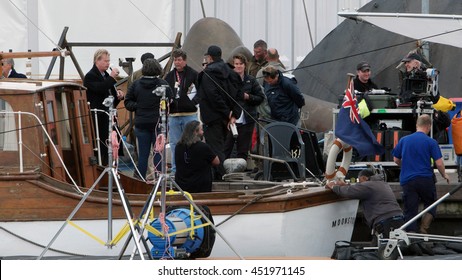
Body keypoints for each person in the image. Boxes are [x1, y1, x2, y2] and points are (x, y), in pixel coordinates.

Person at [392, 114, 450, 234]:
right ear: (428, 126)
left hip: (407, 180)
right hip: (425, 180)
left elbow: (396, 160)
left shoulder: (404, 140)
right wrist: (444, 174)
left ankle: (411, 235)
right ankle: (423, 229)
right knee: (431, 204)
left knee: (410, 209)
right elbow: (439, 163)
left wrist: (406, 166)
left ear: (417, 125)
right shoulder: (431, 142)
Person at [197, 45, 242, 180]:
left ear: (209, 58)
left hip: (212, 118)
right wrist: (233, 114)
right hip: (228, 119)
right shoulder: (232, 72)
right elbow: (239, 95)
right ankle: (220, 174)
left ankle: (223, 175)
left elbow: (212, 95)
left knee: (215, 149)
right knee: (223, 147)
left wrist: (227, 112)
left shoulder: (207, 74)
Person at [124, 58, 172, 180]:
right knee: (158, 153)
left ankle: (141, 181)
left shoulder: (136, 85)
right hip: (158, 123)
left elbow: (127, 102)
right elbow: (171, 102)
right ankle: (159, 180)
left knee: (143, 156)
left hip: (141, 123)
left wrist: (139, 106)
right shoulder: (163, 84)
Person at [326, 169, 404, 239]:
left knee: (383, 250)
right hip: (398, 217)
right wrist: (346, 185)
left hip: (385, 221)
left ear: (364, 178)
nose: (359, 183)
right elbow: (358, 190)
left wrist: (334, 187)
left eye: (359, 180)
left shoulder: (367, 185)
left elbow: (349, 192)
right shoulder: (382, 184)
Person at [83, 49, 124, 166]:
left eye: (109, 61)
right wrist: (111, 78)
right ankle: (103, 165)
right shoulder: (90, 76)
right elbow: (100, 89)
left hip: (110, 115)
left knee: (113, 142)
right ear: (97, 61)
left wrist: (118, 95)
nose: (108, 63)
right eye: (105, 61)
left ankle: (113, 164)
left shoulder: (106, 75)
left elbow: (109, 92)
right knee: (102, 143)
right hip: (99, 116)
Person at [164, 49, 199, 175]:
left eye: (179, 60)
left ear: (185, 60)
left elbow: (200, 90)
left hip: (189, 115)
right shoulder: (169, 76)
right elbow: (166, 92)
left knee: (192, 142)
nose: (177, 63)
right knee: (175, 144)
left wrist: (193, 102)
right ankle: (175, 170)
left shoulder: (193, 74)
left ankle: (192, 168)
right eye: (175, 60)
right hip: (174, 115)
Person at [224, 54, 264, 160]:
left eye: (241, 64)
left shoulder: (251, 80)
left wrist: (249, 97)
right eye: (236, 64)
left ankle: (241, 170)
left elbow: (260, 98)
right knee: (227, 146)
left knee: (243, 148)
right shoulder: (227, 80)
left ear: (245, 65)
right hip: (231, 120)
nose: (238, 66)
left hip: (247, 119)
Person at [174, 120, 219, 193]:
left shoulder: (178, 146)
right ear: (195, 132)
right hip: (200, 187)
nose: (203, 132)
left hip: (182, 186)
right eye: (201, 130)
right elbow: (216, 161)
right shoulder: (203, 147)